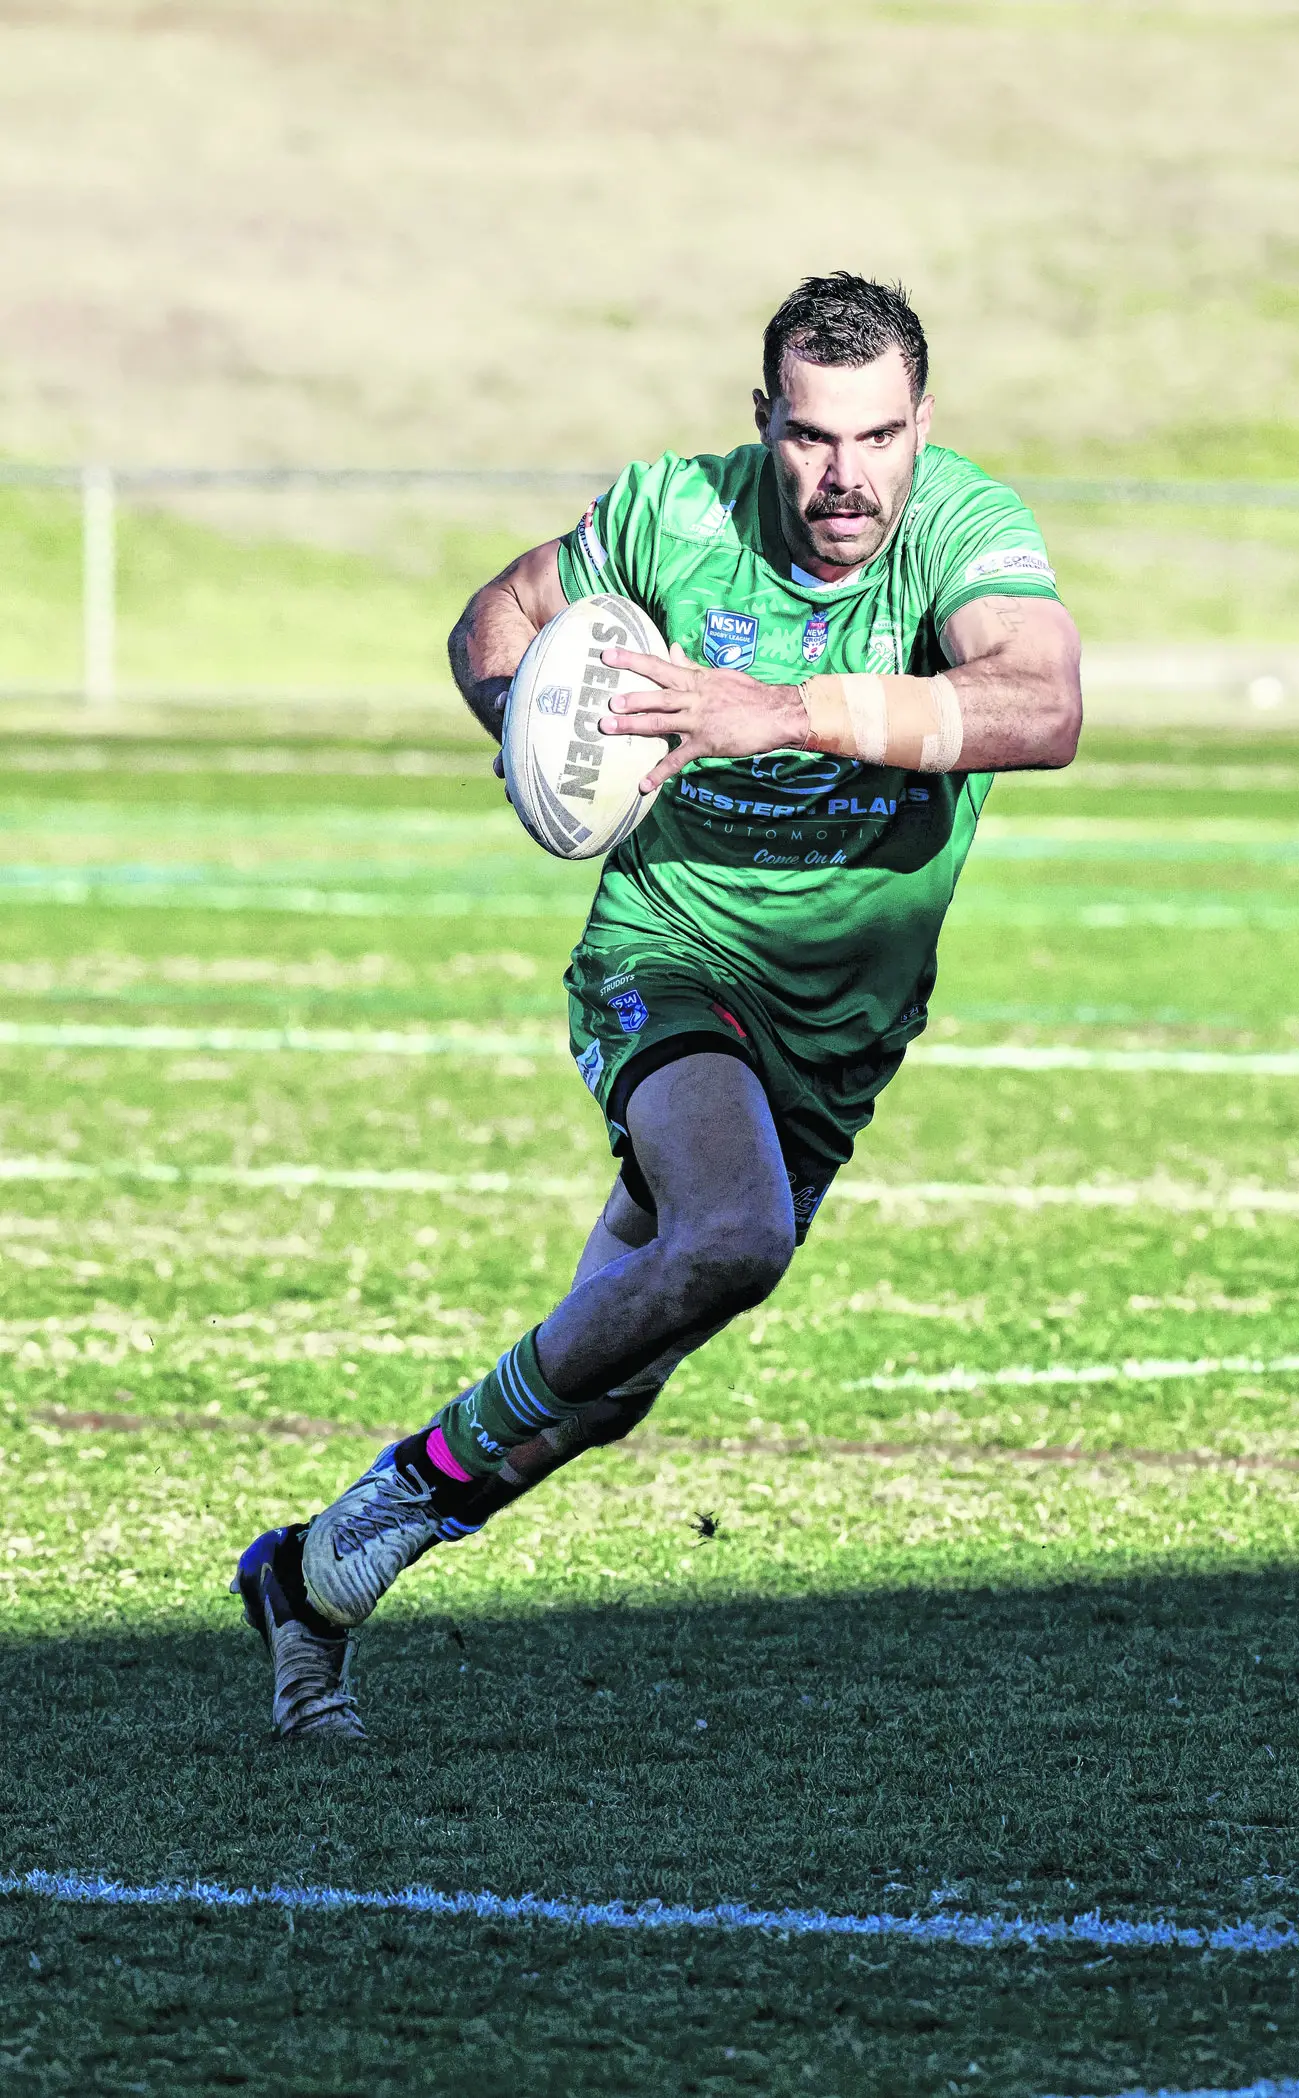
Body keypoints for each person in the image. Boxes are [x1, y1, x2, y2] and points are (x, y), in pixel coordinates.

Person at [233, 271, 1081, 1739]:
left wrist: (784, 712)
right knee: (734, 1238)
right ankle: (385, 1510)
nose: (845, 477)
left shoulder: (964, 528)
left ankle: (310, 1578)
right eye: (811, 436)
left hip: (842, 1032)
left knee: (613, 1375)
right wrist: (541, 735)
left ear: (923, 425)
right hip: (669, 952)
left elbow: (1043, 706)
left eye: (878, 437)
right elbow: (499, 616)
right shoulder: (670, 514)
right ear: (763, 422)